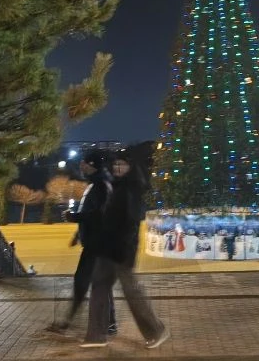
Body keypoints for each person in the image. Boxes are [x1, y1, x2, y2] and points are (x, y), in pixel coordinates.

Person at [81, 149, 169, 350]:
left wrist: (124, 247)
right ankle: (96, 335)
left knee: (131, 291)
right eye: (116, 164)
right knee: (99, 286)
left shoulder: (132, 189)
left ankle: (156, 330)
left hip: (122, 250)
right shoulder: (115, 186)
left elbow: (131, 223)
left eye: (122, 165)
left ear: (130, 167)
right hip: (107, 247)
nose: (118, 168)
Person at [46, 149, 116, 335]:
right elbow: (92, 212)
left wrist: (74, 217)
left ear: (92, 165)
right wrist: (78, 234)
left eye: (84, 162)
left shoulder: (101, 185)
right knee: (98, 283)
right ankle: (109, 323)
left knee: (83, 281)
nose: (81, 165)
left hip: (98, 244)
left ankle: (67, 322)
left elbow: (100, 214)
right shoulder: (96, 183)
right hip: (95, 242)